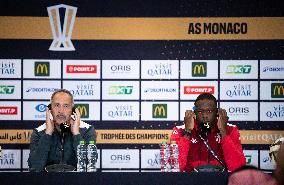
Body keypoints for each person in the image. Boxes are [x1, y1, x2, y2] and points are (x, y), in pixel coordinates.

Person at [170, 93, 246, 172]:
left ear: (217, 113)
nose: (205, 115)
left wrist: (223, 131)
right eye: (200, 111)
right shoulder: (180, 130)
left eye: (209, 111)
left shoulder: (230, 129)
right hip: (191, 181)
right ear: (194, 113)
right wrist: (187, 132)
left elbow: (238, 168)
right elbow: (175, 168)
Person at [28, 89, 96, 172]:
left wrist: (76, 134)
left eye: (66, 106)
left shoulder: (87, 130)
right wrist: (48, 133)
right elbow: (35, 168)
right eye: (57, 105)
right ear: (50, 109)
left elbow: (88, 167)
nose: (61, 111)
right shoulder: (39, 132)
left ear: (72, 110)